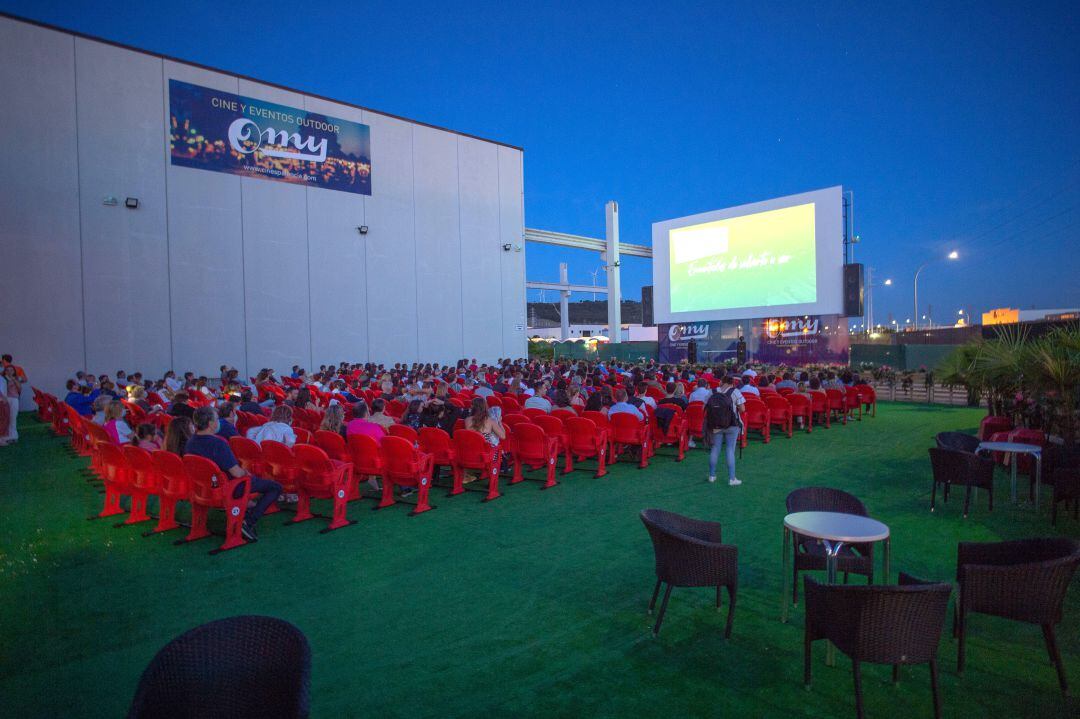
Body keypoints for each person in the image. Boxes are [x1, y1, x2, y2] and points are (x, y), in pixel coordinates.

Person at [185, 406, 281, 541]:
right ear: (211, 424)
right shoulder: (218, 443)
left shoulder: (190, 442)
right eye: (217, 419)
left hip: (203, 488)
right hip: (229, 486)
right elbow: (237, 473)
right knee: (275, 487)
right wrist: (246, 473)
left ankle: (245, 513)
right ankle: (248, 521)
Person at [704, 375, 745, 486]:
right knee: (730, 449)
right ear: (732, 382)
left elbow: (705, 406)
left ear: (721, 381)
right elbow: (742, 409)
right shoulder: (735, 391)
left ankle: (712, 476)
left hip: (716, 424)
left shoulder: (712, 392)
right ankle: (732, 478)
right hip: (732, 424)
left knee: (715, 448)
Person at [0, 365, 21, 444]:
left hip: (14, 399)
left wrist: (14, 380)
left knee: (13, 417)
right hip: (5, 400)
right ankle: (5, 436)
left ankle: (14, 436)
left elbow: (19, 389)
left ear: (14, 371)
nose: (9, 372)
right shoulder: (3, 379)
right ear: (5, 371)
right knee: (5, 419)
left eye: (11, 370)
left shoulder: (15, 379)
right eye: (7, 370)